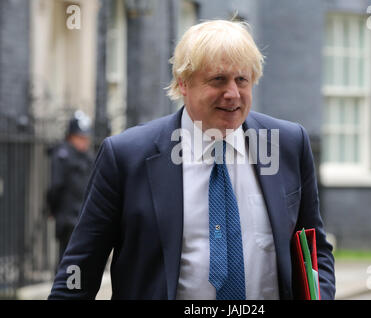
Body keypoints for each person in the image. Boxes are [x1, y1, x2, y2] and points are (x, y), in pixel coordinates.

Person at [48, 20, 335, 300]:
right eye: (218, 80)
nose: (232, 94)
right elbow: (81, 268)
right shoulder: (125, 156)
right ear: (183, 84)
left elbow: (315, 251)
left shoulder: (287, 144)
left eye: (242, 80)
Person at [46, 110, 94, 265]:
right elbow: (56, 186)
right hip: (68, 218)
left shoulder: (86, 156)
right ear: (71, 136)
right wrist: (53, 209)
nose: (84, 142)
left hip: (83, 217)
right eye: (80, 138)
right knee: (67, 262)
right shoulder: (63, 154)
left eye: (85, 138)